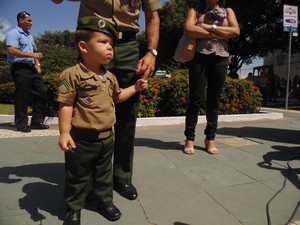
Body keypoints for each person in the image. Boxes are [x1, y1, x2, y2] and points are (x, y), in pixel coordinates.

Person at [52, 0, 161, 201]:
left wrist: (151, 52)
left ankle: (122, 176)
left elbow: (152, 15)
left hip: (128, 44)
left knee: (127, 118)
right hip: (93, 38)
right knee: (85, 107)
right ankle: (84, 176)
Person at [57, 16, 148, 225]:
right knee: (78, 175)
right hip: (82, 138)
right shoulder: (72, 75)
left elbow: (118, 97)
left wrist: (135, 88)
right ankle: (73, 208)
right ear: (83, 46)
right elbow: (66, 105)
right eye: (103, 42)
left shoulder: (110, 77)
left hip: (107, 138)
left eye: (111, 44)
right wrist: (64, 133)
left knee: (104, 174)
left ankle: (105, 201)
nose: (110, 48)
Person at [183, 0, 240, 155]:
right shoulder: (194, 10)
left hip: (221, 57)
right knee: (195, 98)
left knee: (214, 99)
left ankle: (210, 137)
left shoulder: (228, 11)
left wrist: (209, 27)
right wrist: (221, 34)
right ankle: (189, 137)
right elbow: (189, 29)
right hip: (199, 56)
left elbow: (235, 31)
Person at [5, 11, 49, 132]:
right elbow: (12, 51)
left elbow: (35, 52)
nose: (31, 23)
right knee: (22, 96)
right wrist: (32, 55)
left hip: (31, 68)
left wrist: (37, 64)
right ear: (21, 20)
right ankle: (21, 124)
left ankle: (36, 121)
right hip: (20, 68)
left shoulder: (29, 35)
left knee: (40, 93)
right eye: (29, 20)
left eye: (31, 21)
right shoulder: (13, 33)